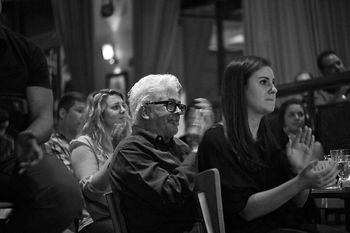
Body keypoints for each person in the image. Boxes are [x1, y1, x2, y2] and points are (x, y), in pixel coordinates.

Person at [198, 56, 341, 233]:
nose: (273, 89)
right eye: (264, 82)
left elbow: (298, 202)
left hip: (285, 226)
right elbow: (246, 212)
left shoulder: (273, 132)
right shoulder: (216, 139)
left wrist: (299, 172)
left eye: (273, 82)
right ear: (239, 88)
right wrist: (299, 181)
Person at [0, 1, 83, 231]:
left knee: (64, 193)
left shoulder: (26, 52)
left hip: (12, 157)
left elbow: (44, 118)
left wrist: (28, 137)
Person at [110, 74, 203, 233]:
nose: (179, 113)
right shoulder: (129, 151)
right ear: (145, 111)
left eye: (179, 106)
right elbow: (170, 194)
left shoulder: (181, 146)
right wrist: (196, 149)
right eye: (171, 105)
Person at [70, 88, 130, 233]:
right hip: (97, 220)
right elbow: (92, 191)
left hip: (125, 215)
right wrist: (117, 151)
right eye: (115, 107)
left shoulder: (128, 141)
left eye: (124, 106)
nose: (123, 110)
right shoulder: (83, 144)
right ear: (100, 114)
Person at [45, 91, 86, 171]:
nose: (85, 117)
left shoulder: (84, 142)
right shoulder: (51, 143)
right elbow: (72, 179)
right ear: (63, 113)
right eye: (80, 111)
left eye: (87, 113)